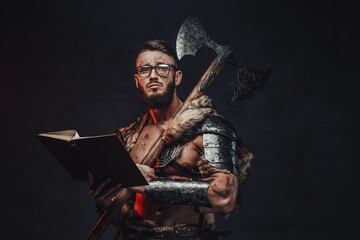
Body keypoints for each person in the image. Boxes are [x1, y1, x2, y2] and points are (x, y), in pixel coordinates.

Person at [88, 40, 253, 240]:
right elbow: (128, 210)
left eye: (163, 68)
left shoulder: (209, 128)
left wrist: (150, 184)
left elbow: (225, 197)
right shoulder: (127, 137)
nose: (153, 75)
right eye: (145, 69)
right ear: (137, 80)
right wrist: (108, 204)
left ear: (177, 77)